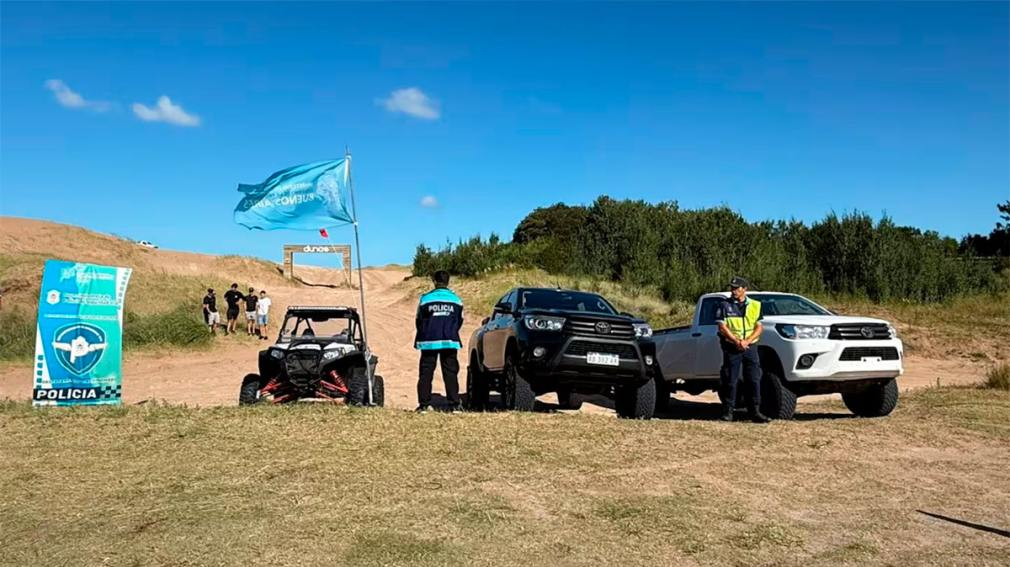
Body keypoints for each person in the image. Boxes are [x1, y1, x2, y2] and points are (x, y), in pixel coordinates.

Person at [716, 276, 770, 423]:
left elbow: (759, 327)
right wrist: (736, 341)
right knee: (730, 380)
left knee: (753, 379)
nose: (733, 291)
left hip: (750, 346)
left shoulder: (755, 305)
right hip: (732, 346)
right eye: (732, 288)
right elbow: (722, 327)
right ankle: (728, 411)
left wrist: (747, 341)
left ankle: (755, 411)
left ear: (744, 289)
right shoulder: (724, 305)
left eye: (736, 288)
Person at [414, 270, 464, 412]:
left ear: (435, 282)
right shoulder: (456, 300)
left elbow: (419, 320)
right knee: (450, 372)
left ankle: (424, 405)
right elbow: (460, 321)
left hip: (428, 341)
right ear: (448, 282)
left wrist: (425, 332)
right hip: (450, 340)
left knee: (426, 372)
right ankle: (454, 404)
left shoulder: (425, 299)